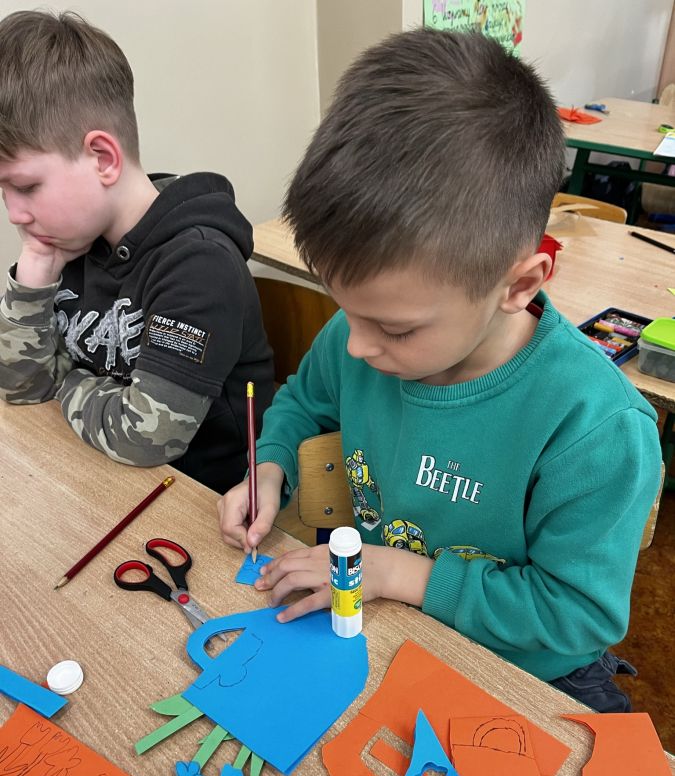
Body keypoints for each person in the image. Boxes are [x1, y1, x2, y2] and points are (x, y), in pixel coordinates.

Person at [218, 28, 662, 711]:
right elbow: (305, 399)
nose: (355, 346)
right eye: (345, 309)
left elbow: (574, 619)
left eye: (394, 328)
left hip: (530, 673)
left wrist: (403, 574)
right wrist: (270, 464)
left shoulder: (594, 427)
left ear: (519, 285)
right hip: (386, 623)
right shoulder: (362, 333)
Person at [0, 10, 274, 494]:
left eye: (25, 187)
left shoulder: (200, 265)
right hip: (97, 472)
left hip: (200, 499)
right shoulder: (68, 243)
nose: (15, 214)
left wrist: (62, 380)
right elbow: (19, 384)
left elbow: (145, 438)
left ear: (102, 158)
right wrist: (35, 272)